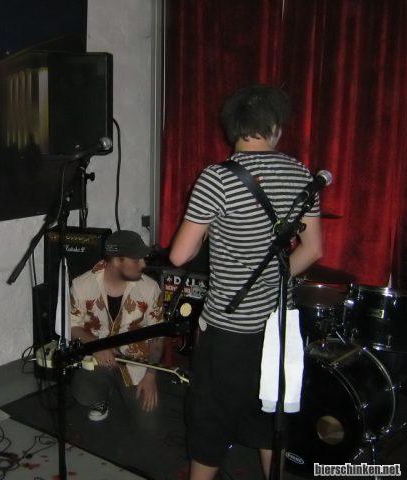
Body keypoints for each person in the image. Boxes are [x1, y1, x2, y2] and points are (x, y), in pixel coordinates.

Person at [169, 85, 323, 480]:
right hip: (278, 325)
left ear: (233, 128)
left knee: (210, 422)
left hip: (228, 327)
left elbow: (179, 256)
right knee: (271, 418)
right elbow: (313, 249)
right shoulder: (300, 173)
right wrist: (272, 280)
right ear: (274, 127)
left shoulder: (216, 178)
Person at [70, 230, 164, 425]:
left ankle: (124, 388)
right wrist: (96, 345)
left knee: (148, 424)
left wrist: (151, 375)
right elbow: (72, 325)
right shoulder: (81, 285)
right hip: (97, 360)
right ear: (116, 261)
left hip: (136, 364)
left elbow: (158, 335)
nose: (143, 264)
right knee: (84, 393)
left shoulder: (150, 288)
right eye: (136, 260)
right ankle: (101, 394)